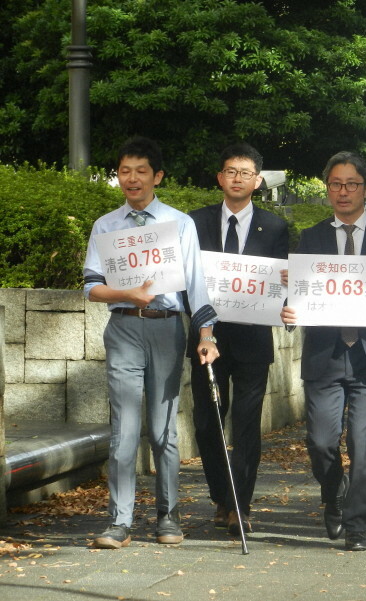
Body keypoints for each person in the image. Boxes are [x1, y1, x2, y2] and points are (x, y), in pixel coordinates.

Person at [83, 136, 219, 549]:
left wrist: (206, 336)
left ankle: (168, 515)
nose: (132, 179)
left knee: (163, 430)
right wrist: (127, 294)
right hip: (124, 328)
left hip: (166, 328)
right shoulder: (105, 226)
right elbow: (91, 288)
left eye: (141, 171)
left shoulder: (180, 224)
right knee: (123, 429)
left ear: (157, 176)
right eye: (125, 171)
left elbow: (196, 285)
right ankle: (119, 521)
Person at [281, 151, 366, 551]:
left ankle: (357, 525)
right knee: (321, 441)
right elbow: (297, 297)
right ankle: (333, 490)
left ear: (365, 189)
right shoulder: (311, 237)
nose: (343, 192)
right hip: (326, 353)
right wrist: (288, 307)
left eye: (351, 184)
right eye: (335, 184)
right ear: (327, 189)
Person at [188, 143, 289, 536]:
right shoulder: (194, 223)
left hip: (252, 341)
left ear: (258, 181)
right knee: (206, 423)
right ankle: (221, 496)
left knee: (247, 426)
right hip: (206, 339)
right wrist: (202, 329)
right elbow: (188, 285)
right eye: (230, 171)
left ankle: (240, 506)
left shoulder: (276, 227)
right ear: (220, 177)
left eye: (245, 173)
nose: (237, 178)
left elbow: (282, 287)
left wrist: (285, 286)